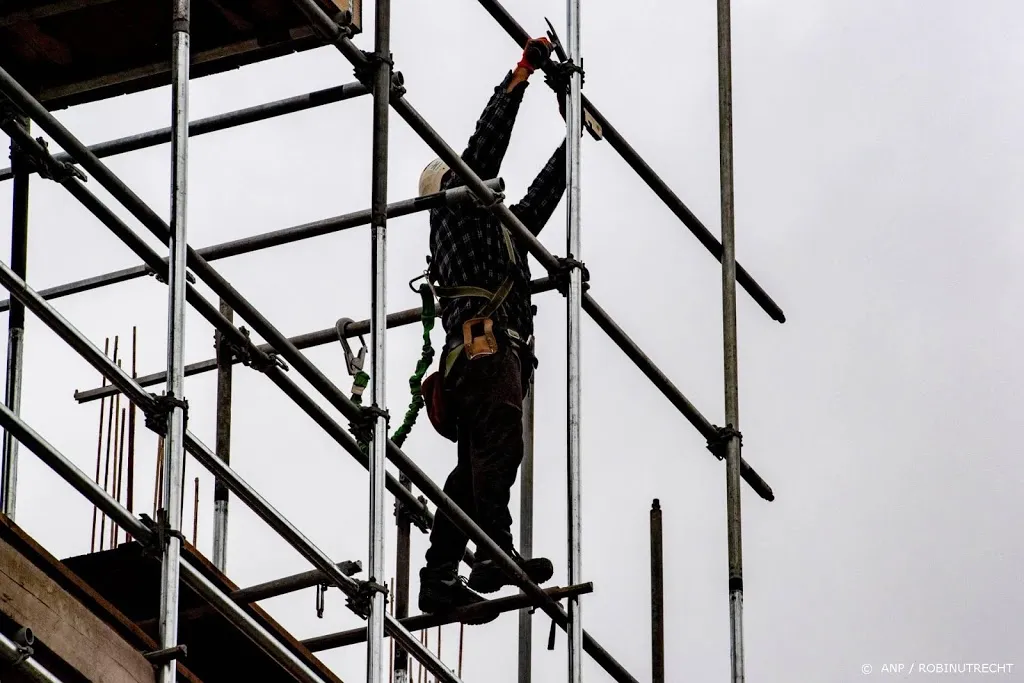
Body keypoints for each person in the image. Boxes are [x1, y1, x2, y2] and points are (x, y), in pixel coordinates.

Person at [416, 37, 574, 620]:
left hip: (493, 358)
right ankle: (491, 553)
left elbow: (540, 198)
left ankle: (439, 577)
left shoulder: (502, 232)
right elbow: (485, 147)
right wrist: (521, 75)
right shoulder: (455, 214)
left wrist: (572, 136)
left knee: (471, 470)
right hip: (483, 351)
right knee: (502, 440)